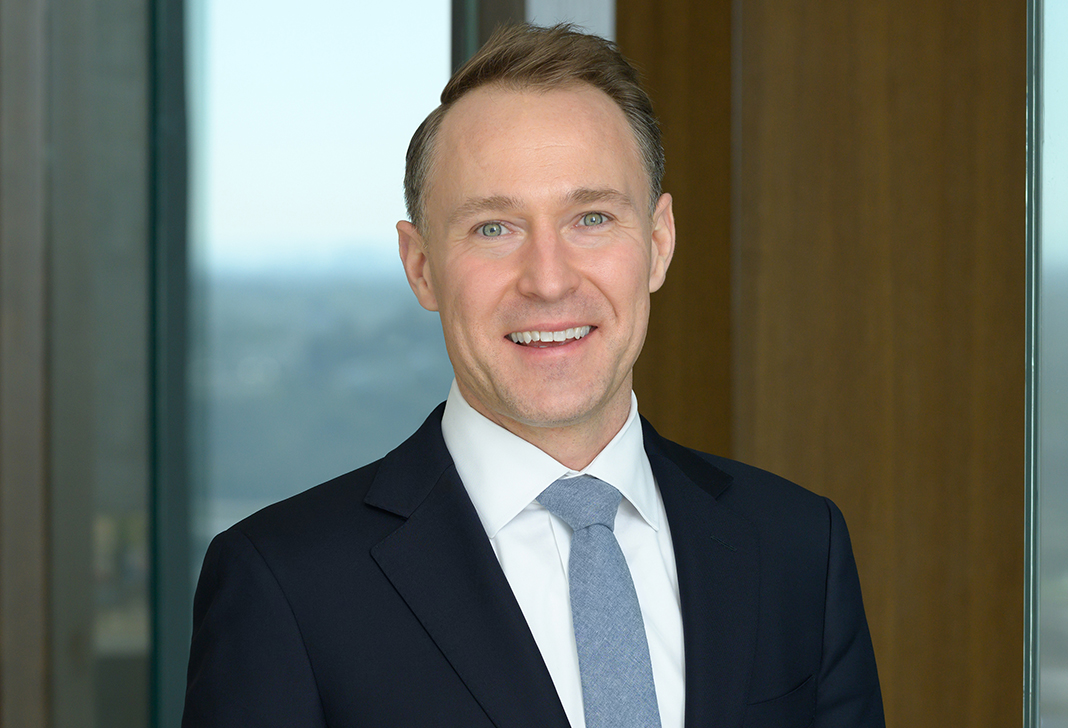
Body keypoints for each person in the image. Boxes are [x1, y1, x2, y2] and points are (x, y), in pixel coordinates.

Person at [181, 23, 885, 728]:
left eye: (592, 218)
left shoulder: (797, 546)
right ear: (420, 266)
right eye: (494, 227)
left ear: (658, 242)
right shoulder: (286, 585)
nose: (549, 281)